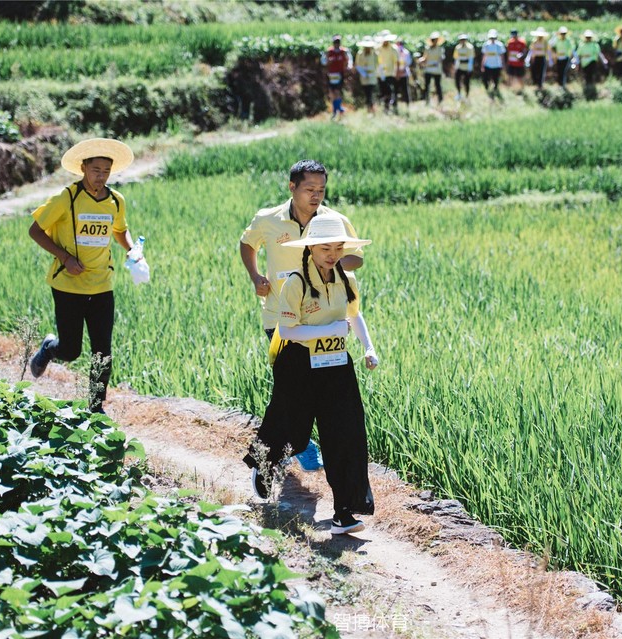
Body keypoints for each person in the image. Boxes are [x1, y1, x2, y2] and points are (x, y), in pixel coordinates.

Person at [243, 215, 378, 536]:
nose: (332, 254)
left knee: (346, 435)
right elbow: (287, 329)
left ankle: (343, 512)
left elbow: (354, 316)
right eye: (325, 248)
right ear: (311, 249)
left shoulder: (346, 279)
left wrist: (369, 348)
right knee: (292, 430)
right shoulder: (296, 282)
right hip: (299, 365)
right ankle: (265, 466)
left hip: (336, 365)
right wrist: (329, 329)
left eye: (337, 248)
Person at [239, 160, 365, 474]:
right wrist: (256, 277)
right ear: (292, 187)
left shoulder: (334, 221)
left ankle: (291, 448)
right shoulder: (267, 219)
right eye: (309, 189)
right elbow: (246, 244)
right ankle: (298, 447)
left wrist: (330, 258)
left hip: (323, 320)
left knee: (307, 390)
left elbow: (356, 259)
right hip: (280, 320)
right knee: (291, 387)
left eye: (321, 190)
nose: (316, 195)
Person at [27, 138, 137, 415]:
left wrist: (133, 251)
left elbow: (120, 231)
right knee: (71, 351)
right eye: (96, 169)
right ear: (83, 168)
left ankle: (95, 408)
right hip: (67, 285)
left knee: (103, 351)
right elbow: (36, 231)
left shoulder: (115, 200)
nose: (101, 176)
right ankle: (49, 349)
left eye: (106, 171)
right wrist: (64, 257)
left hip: (102, 285)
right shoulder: (68, 197)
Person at [321, 35, 353, 120]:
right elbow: (323, 61)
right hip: (331, 74)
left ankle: (338, 110)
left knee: (337, 92)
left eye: (338, 42)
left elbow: (349, 59)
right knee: (332, 92)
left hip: (340, 74)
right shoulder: (329, 51)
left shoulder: (344, 51)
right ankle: (337, 109)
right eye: (335, 42)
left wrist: (349, 66)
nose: (337, 44)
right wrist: (328, 61)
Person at [419, 31, 445, 106]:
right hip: (428, 69)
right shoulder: (428, 49)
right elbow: (425, 58)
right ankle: (427, 100)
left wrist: (436, 62)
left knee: (438, 85)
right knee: (427, 85)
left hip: (437, 70)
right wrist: (420, 60)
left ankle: (440, 100)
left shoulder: (440, 49)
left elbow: (441, 58)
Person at [481, 29, 506, 101]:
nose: (492, 39)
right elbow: (484, 56)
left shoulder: (499, 45)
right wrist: (482, 65)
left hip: (497, 65)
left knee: (496, 79)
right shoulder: (486, 45)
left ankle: (495, 90)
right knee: (485, 79)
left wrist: (503, 64)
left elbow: (502, 56)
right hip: (488, 65)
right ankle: (487, 89)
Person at [377, 33, 400, 113]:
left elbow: (397, 62)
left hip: (390, 73)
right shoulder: (378, 49)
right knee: (383, 92)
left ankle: (389, 107)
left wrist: (397, 73)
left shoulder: (393, 49)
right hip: (380, 74)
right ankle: (385, 107)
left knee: (389, 91)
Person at [354, 38, 378, 112]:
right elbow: (357, 65)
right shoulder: (360, 54)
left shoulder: (374, 54)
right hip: (364, 77)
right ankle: (369, 107)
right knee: (367, 92)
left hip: (372, 77)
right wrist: (364, 73)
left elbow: (377, 64)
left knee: (370, 92)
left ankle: (371, 107)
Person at [453, 33, 475, 100]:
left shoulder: (470, 47)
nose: (462, 41)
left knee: (466, 82)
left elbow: (471, 59)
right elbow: (456, 58)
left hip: (467, 68)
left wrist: (470, 68)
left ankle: (467, 95)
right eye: (461, 40)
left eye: (464, 39)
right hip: (459, 67)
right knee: (457, 81)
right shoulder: (457, 47)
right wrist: (456, 67)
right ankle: (459, 93)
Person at [395, 38, 413, 108]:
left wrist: (401, 71)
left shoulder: (406, 52)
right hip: (396, 74)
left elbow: (408, 62)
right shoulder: (395, 52)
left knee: (405, 90)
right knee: (395, 91)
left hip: (404, 74)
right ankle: (395, 105)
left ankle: (408, 104)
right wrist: (397, 72)